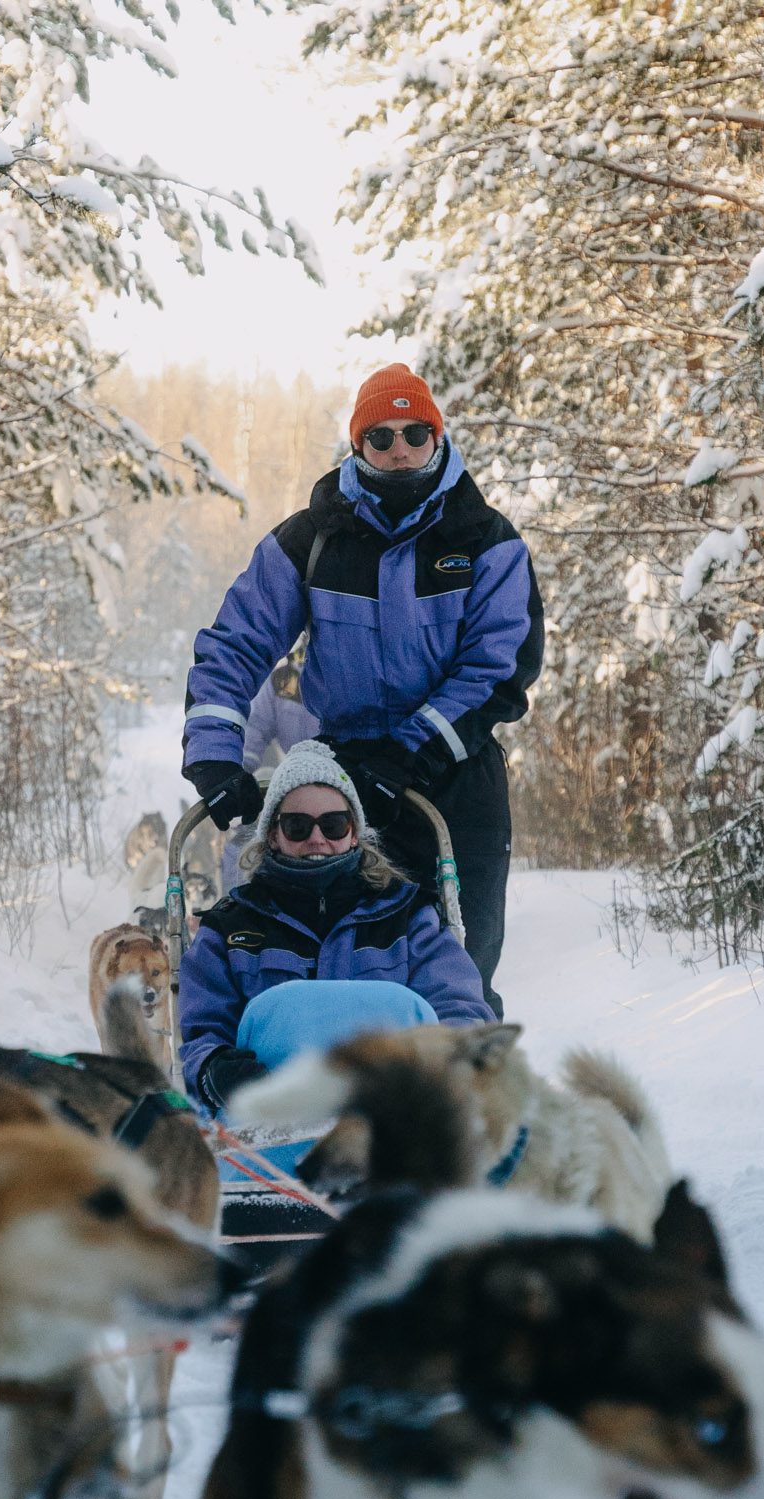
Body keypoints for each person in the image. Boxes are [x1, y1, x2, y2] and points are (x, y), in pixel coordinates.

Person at [179, 363, 543, 1015]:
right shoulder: (313, 539)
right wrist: (214, 753)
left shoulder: (486, 542)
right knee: (337, 962)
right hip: (342, 782)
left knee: (460, 960)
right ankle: (332, 1094)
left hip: (454, 777)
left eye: (414, 432)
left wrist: (409, 752)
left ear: (437, 438)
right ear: (357, 446)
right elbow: (236, 640)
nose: (398, 447)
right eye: (380, 436)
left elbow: (500, 667)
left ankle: (456, 1101)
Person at [179, 741, 492, 1112]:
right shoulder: (230, 929)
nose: (317, 839)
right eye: (297, 826)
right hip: (269, 1125)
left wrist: (446, 1069)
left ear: (354, 832)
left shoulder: (408, 917)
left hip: (393, 1121)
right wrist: (214, 1070)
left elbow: (459, 1006)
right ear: (273, 834)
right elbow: (202, 1031)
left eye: (333, 824)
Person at [219, 659, 320, 894]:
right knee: (241, 841)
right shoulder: (284, 679)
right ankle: (238, 907)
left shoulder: (353, 674)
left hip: (345, 775)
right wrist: (237, 772)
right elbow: (256, 727)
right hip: (294, 778)